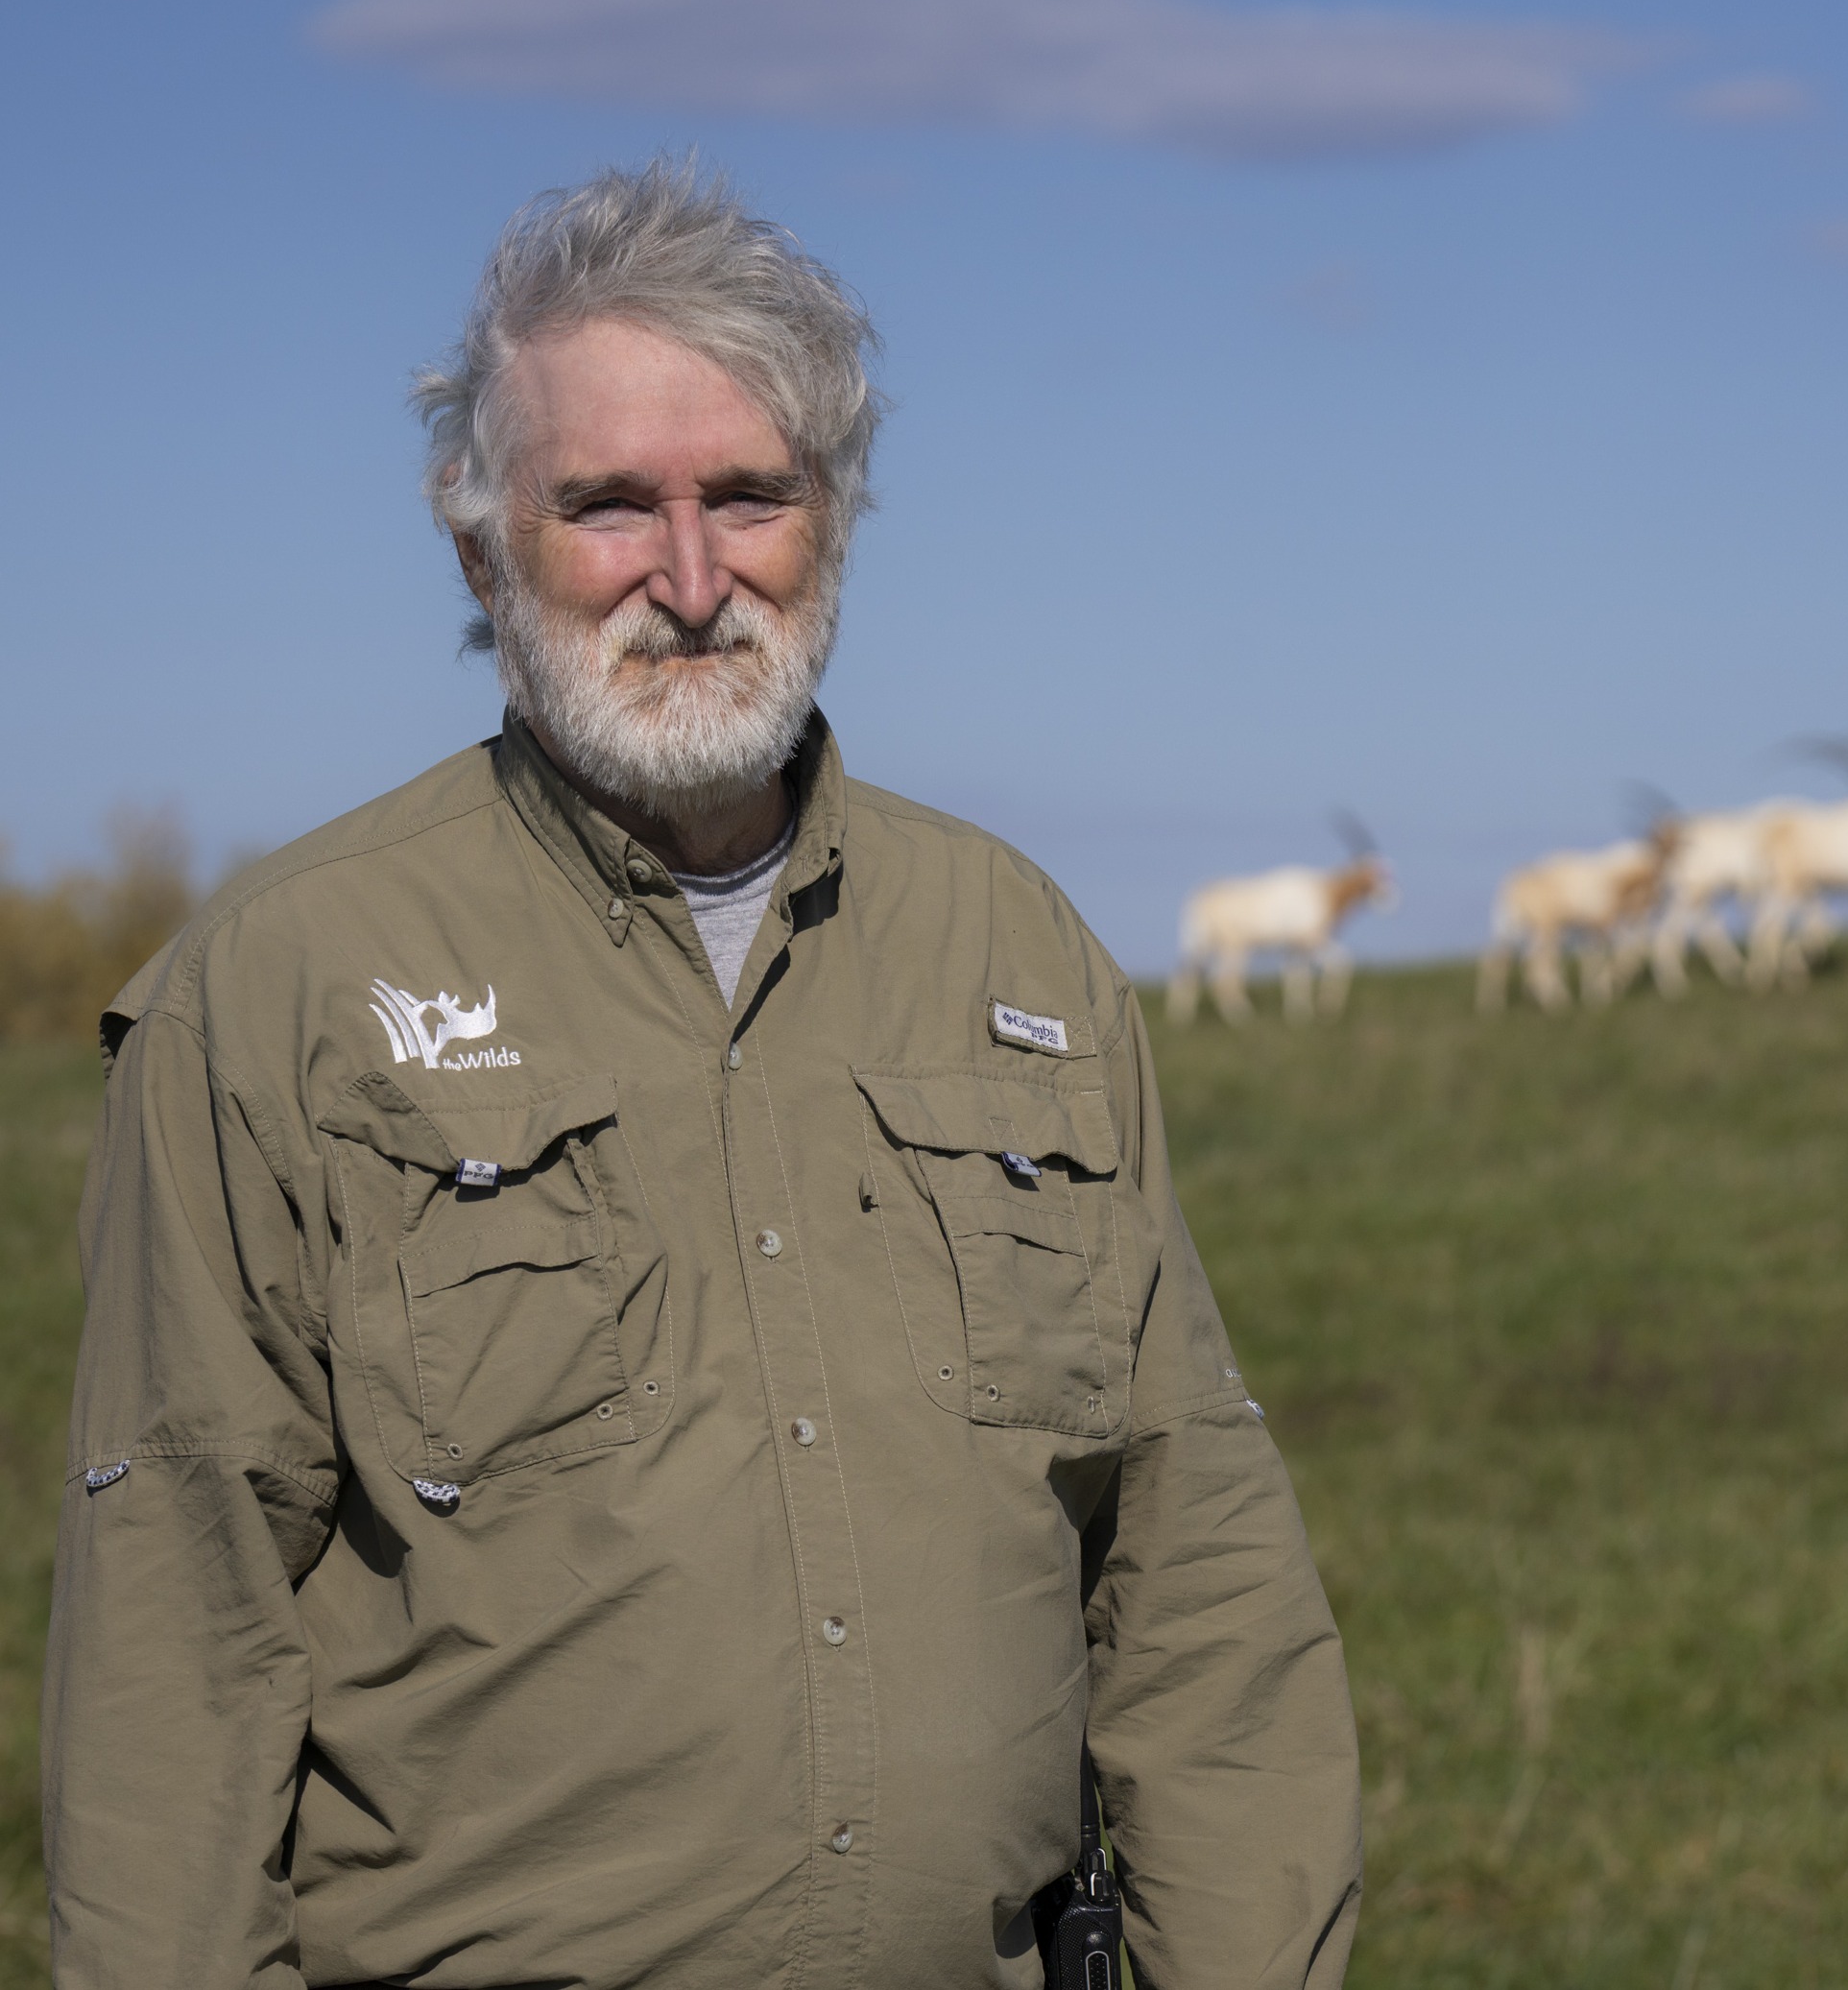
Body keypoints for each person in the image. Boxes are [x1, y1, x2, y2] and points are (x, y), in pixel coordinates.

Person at [42, 160, 1363, 1989]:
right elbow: (170, 1652)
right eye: (606, 505)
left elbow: (1194, 1561)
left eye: (750, 494)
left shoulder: (1020, 950)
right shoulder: (272, 992)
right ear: (479, 547)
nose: (687, 576)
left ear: (835, 517)